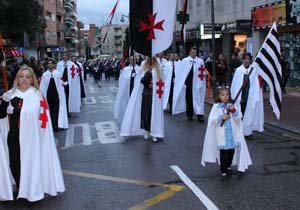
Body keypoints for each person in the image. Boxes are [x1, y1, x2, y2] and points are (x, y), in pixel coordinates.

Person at [0, 66, 65, 201]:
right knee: (15, 164)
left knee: (31, 163)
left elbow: (41, 119)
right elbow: (1, 115)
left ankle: (33, 190)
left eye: (27, 77)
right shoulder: (10, 94)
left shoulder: (37, 95)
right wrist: (5, 102)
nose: (24, 79)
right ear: (17, 79)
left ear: (32, 80)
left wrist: (16, 111)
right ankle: (21, 188)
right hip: (14, 135)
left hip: (32, 137)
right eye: (21, 76)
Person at [201, 86, 252, 180]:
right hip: (222, 136)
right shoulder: (216, 107)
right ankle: (223, 171)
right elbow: (212, 120)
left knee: (231, 152)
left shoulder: (232, 105)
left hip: (232, 135)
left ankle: (229, 166)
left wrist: (233, 111)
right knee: (223, 153)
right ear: (219, 96)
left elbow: (238, 118)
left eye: (227, 95)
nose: (225, 97)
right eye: (222, 95)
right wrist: (221, 118)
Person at [120, 57, 164, 142]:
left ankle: (154, 132)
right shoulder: (143, 70)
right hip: (146, 94)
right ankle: (146, 131)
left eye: (153, 60)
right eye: (150, 60)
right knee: (146, 113)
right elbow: (141, 80)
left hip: (155, 96)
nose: (151, 61)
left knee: (154, 114)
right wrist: (148, 74)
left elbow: (161, 83)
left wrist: (154, 85)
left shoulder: (158, 71)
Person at [231, 52, 264, 140]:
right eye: (245, 59)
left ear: (250, 60)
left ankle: (247, 132)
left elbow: (256, 84)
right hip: (241, 96)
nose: (246, 61)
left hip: (250, 96)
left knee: (249, 114)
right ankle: (240, 131)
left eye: (248, 59)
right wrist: (235, 96)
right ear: (242, 60)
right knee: (240, 113)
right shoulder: (238, 70)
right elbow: (235, 84)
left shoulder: (254, 71)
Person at [173, 47, 207, 123]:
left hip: (197, 83)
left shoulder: (200, 61)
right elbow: (181, 72)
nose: (194, 54)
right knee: (189, 99)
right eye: (192, 52)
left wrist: (201, 82)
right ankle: (189, 115)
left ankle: (199, 115)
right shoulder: (185, 61)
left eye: (195, 53)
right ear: (190, 52)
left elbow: (202, 72)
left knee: (198, 99)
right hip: (188, 83)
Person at [40, 59, 69, 131]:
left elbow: (60, 84)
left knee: (56, 108)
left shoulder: (58, 73)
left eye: (51, 63)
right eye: (48, 63)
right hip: (48, 94)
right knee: (50, 108)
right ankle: (51, 124)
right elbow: (43, 86)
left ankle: (56, 124)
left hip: (56, 93)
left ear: (54, 65)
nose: (50, 65)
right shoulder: (45, 75)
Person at [114, 56, 141, 123]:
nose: (133, 61)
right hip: (127, 90)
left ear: (136, 60)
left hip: (136, 90)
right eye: (131, 60)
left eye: (134, 60)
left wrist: (136, 77)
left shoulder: (140, 69)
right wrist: (130, 77)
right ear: (129, 61)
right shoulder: (125, 69)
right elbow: (122, 81)